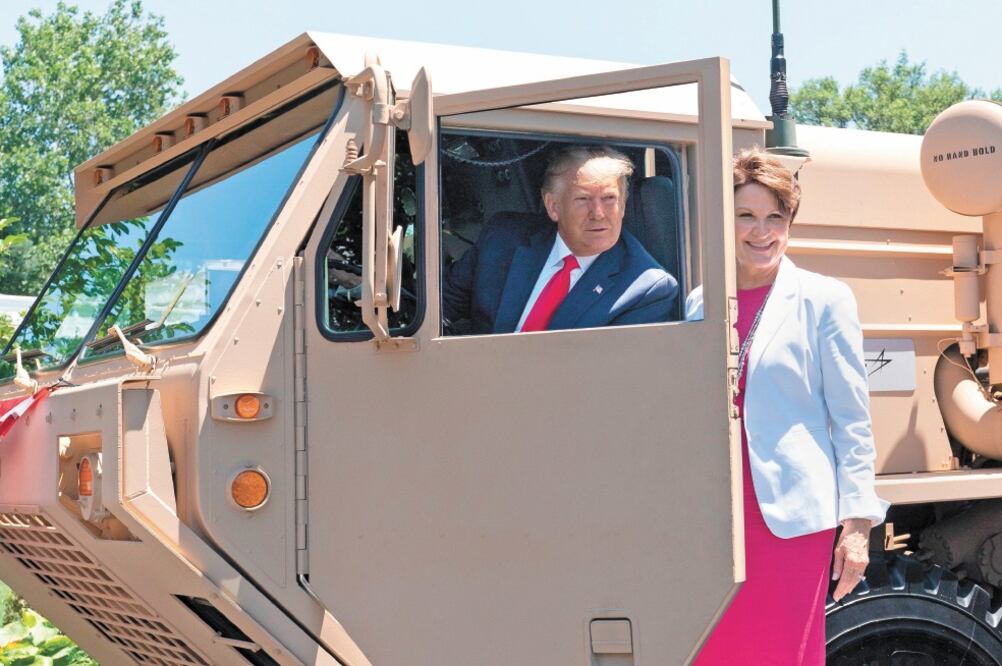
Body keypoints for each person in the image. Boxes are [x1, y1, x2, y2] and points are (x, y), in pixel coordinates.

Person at [687, 150, 888, 665]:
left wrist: (859, 525)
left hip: (789, 523)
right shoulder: (699, 303)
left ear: (790, 223)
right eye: (747, 215)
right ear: (724, 222)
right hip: (711, 521)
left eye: (775, 217)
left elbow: (852, 420)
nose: (762, 231)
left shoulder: (824, 299)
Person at [443, 145, 677, 334]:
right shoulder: (503, 239)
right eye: (583, 199)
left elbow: (608, 374)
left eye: (609, 199)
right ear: (553, 206)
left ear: (623, 205)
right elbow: (441, 306)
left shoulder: (646, 289)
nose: (598, 213)